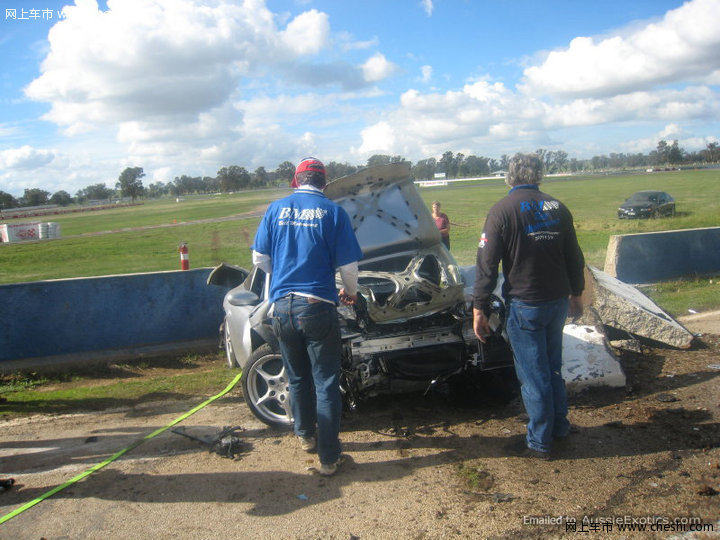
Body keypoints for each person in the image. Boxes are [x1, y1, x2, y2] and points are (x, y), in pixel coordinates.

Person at [251, 157, 363, 476]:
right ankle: (329, 459)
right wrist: (351, 293)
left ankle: (305, 436)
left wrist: (283, 275)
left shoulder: (275, 209)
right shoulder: (333, 211)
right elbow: (349, 268)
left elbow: (259, 258)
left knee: (297, 377)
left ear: (295, 181)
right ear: (324, 183)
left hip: (282, 307)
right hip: (317, 305)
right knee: (325, 381)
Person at [472, 153, 585, 460]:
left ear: (510, 176)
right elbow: (574, 256)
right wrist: (577, 293)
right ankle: (559, 427)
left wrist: (479, 307)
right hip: (557, 301)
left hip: (525, 305)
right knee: (552, 369)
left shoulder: (502, 210)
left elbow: (487, 264)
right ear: (540, 175)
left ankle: (539, 441)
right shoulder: (558, 207)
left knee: (533, 376)